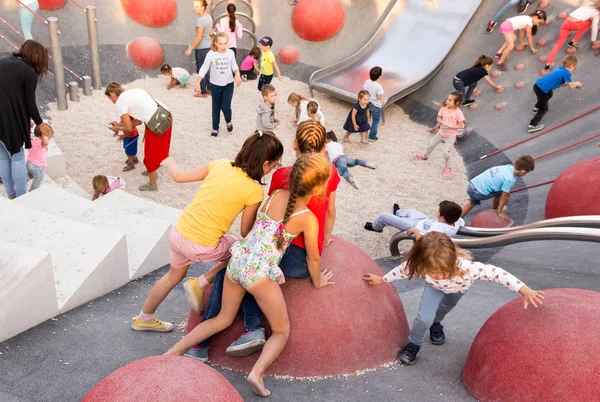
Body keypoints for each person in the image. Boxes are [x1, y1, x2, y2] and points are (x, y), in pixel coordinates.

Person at [165, 153, 332, 397]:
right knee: (281, 331)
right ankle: (256, 373)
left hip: (237, 262)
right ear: (318, 187)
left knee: (222, 318)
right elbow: (313, 259)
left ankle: (173, 352)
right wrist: (318, 282)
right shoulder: (307, 218)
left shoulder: (273, 195)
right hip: (259, 273)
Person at [183, 121, 337, 362]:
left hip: (284, 248)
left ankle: (215, 339)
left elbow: (271, 216)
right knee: (252, 270)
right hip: (301, 251)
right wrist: (325, 239)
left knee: (238, 271)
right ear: (324, 148)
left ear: (294, 144)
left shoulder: (283, 176)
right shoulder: (330, 173)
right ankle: (245, 325)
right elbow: (330, 212)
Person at [131, 132, 284, 333]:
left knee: (172, 276)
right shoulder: (254, 190)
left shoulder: (220, 164)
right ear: (265, 164)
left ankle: (144, 317)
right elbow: (245, 231)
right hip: (201, 245)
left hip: (179, 232)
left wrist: (170, 163)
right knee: (241, 250)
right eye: (273, 166)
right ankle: (200, 283)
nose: (272, 170)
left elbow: (179, 177)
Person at [363, 232, 545, 365]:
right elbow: (402, 270)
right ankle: (414, 344)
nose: (441, 276)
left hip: (458, 290)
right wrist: (382, 279)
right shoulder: (420, 266)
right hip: (433, 289)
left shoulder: (467, 268)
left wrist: (523, 289)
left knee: (442, 311)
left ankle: (437, 324)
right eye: (434, 272)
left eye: (444, 271)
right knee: (423, 318)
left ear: (452, 262)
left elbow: (497, 273)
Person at [0, 40, 52, 199]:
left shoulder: (4, 61)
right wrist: (40, 124)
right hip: (7, 116)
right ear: (36, 56)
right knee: (16, 156)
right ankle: (22, 196)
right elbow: (29, 102)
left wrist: (24, 118)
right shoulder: (27, 71)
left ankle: (11, 194)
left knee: (2, 156)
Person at [105, 82, 172, 192]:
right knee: (155, 151)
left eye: (109, 98)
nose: (111, 101)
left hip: (157, 124)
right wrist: (117, 125)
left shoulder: (120, 103)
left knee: (150, 154)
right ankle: (153, 172)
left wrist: (116, 129)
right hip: (165, 117)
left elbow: (129, 129)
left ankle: (152, 184)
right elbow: (137, 121)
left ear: (112, 94)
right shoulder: (132, 92)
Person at [461, 155, 535, 220]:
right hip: (479, 193)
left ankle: (456, 220)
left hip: (471, 186)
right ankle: (496, 210)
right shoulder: (510, 178)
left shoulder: (507, 167)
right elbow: (504, 195)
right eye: (527, 173)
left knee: (472, 202)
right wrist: (500, 211)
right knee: (504, 194)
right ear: (523, 171)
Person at [197, 33, 242, 137]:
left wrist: (237, 74)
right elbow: (204, 68)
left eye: (225, 43)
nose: (224, 46)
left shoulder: (230, 53)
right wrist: (198, 81)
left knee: (226, 107)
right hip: (215, 86)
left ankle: (228, 121)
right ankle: (215, 128)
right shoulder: (211, 54)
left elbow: (234, 66)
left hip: (228, 85)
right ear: (216, 43)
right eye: (221, 43)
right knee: (216, 107)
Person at [415, 91, 466, 177]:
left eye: (450, 100)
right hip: (441, 133)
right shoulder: (443, 109)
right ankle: (425, 156)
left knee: (446, 153)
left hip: (450, 136)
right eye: (447, 99)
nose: (447, 101)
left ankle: (448, 168)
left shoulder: (458, 113)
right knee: (431, 145)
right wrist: (442, 122)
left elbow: (461, 125)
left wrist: (450, 125)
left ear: (456, 103)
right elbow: (438, 118)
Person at [528, 55, 582, 133]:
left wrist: (567, 84)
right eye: (574, 67)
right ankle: (532, 125)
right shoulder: (567, 73)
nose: (574, 69)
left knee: (549, 95)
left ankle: (536, 108)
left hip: (538, 85)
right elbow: (571, 87)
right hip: (542, 90)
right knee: (544, 109)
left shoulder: (560, 68)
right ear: (571, 66)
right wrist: (577, 84)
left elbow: (562, 83)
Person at [364, 200, 464, 239]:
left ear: (442, 218)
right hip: (425, 220)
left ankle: (376, 227)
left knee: (383, 216)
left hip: (414, 226)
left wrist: (415, 231)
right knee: (411, 211)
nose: (437, 211)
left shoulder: (437, 229)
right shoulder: (457, 220)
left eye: (438, 211)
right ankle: (398, 214)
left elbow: (424, 240)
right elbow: (461, 222)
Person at [545, 1, 600, 70]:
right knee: (589, 22)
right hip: (576, 24)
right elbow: (595, 27)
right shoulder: (597, 13)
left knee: (558, 44)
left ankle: (548, 64)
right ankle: (573, 41)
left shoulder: (586, 7)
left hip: (566, 22)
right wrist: (594, 41)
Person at [185, 0, 213, 98]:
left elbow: (198, 37)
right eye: (194, 6)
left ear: (203, 7)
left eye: (196, 6)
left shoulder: (200, 20)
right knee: (207, 68)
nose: (194, 8)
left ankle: (203, 92)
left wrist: (190, 48)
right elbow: (209, 33)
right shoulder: (208, 17)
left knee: (202, 69)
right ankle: (209, 89)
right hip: (208, 47)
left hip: (201, 49)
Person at [26, 123, 53, 192]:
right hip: (38, 166)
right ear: (43, 135)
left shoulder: (31, 141)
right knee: (38, 179)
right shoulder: (41, 143)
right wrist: (45, 133)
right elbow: (46, 143)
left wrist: (29, 127)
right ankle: (32, 191)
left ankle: (22, 182)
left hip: (29, 164)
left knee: (30, 175)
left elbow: (27, 133)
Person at [363, 66, 384, 142]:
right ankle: (372, 137)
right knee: (375, 121)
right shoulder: (379, 86)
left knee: (366, 118)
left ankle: (363, 133)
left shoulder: (367, 82)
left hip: (367, 102)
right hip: (375, 105)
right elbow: (379, 98)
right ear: (379, 76)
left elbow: (364, 91)